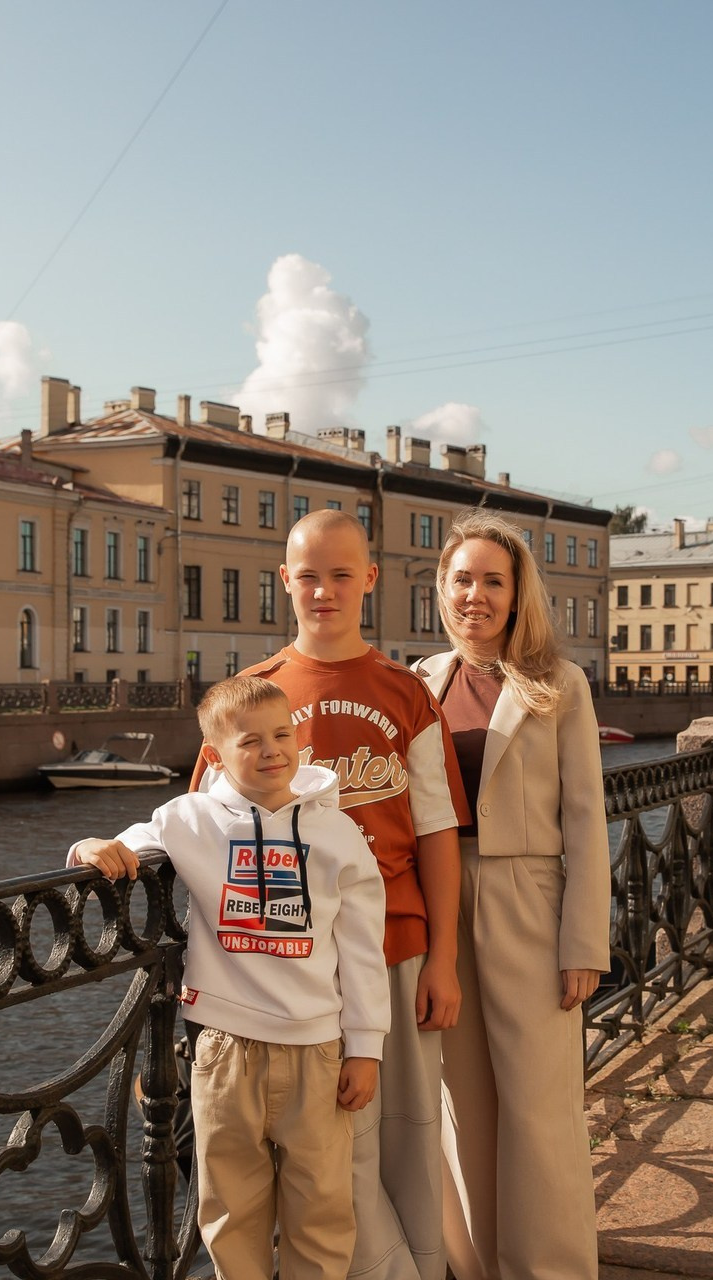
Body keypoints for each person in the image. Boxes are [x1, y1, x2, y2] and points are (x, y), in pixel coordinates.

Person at [189, 507, 468, 1280]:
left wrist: (443, 957)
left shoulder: (406, 695)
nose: (324, 591)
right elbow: (204, 833)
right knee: (326, 1163)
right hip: (290, 978)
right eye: (308, 576)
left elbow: (439, 834)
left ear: (370, 580)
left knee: (405, 1144)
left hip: (396, 952)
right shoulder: (253, 700)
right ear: (286, 581)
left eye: (342, 574)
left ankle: (415, 1264)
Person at [69, 676, 391, 1280]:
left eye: (283, 735)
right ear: (216, 755)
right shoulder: (187, 818)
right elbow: (128, 845)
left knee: (322, 1207)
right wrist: (90, 846)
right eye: (252, 741)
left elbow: (363, 949)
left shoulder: (337, 832)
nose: (273, 751)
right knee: (228, 1208)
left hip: (316, 1049)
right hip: (222, 1049)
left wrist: (366, 1047)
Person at [413, 508, 609, 1280]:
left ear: (518, 592)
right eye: (463, 579)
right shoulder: (418, 680)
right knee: (461, 1105)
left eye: (493, 580)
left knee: (539, 1107)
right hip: (442, 903)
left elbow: (587, 819)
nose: (476, 595)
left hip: (529, 900)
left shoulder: (559, 683)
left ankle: (551, 1268)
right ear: (443, 588)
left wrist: (584, 943)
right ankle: (479, 1265)